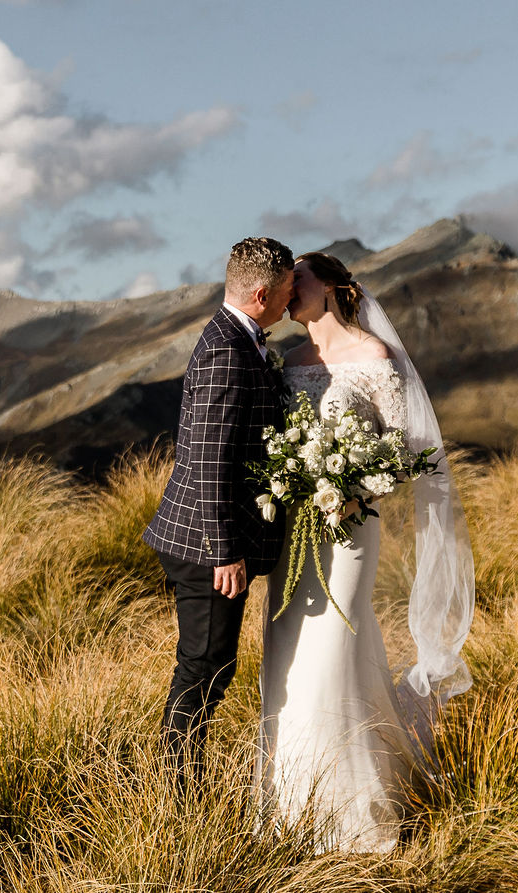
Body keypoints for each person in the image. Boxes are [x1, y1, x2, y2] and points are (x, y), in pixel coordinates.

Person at [259, 250, 474, 852]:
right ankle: (292, 811)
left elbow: (404, 454)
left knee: (334, 647)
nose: (286, 288)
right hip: (292, 535)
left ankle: (354, 818)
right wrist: (289, 481)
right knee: (289, 656)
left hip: (349, 530)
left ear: (329, 287)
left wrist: (348, 493)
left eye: (296, 279)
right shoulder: (286, 363)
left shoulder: (374, 357)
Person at [143, 236, 295, 783]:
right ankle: (177, 794)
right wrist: (225, 553)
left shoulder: (238, 336)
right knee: (205, 668)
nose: (291, 301)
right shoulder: (228, 351)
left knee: (208, 665)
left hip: (203, 540)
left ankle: (179, 783)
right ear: (259, 293)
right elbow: (208, 459)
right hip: (206, 547)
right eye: (285, 292)